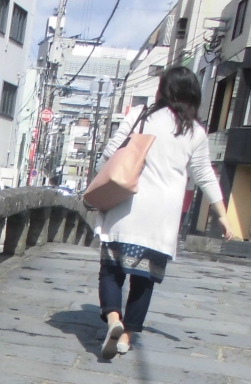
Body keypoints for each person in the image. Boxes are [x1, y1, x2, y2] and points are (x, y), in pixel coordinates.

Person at [94, 66, 236, 359]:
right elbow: (205, 175)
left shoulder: (141, 116)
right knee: (144, 279)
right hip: (163, 218)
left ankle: (113, 319)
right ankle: (126, 338)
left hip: (127, 207)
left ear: (163, 90)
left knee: (111, 271)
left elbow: (110, 152)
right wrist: (222, 215)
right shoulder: (195, 132)